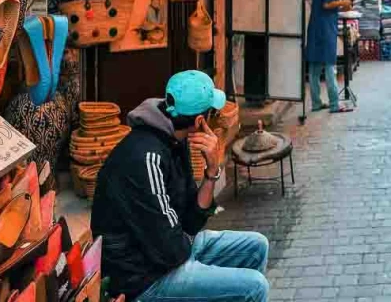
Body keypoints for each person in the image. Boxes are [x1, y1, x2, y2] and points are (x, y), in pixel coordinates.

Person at [91, 71, 270, 302]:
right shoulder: (146, 158)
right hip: (143, 280)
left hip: (169, 252)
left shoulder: (176, 140)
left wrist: (212, 170)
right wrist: (190, 247)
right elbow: (173, 251)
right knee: (255, 287)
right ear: (199, 121)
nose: (214, 118)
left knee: (256, 246)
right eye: (212, 113)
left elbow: (191, 221)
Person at [305, 0, 353, 113]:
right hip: (326, 28)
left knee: (315, 67)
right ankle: (334, 103)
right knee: (330, 65)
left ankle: (316, 103)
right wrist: (343, 2)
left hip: (315, 26)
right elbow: (327, 4)